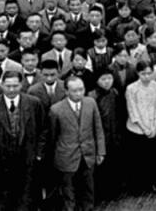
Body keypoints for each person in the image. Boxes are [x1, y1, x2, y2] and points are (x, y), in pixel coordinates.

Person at [0, 71, 47, 211]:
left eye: (15, 86)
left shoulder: (33, 103)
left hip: (26, 160)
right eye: (8, 86)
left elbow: (43, 130)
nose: (11, 90)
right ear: (1, 85)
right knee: (1, 201)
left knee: (25, 201)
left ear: (21, 85)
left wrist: (38, 154)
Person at [49, 75, 107, 211]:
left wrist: (101, 151)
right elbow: (53, 135)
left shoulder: (91, 103)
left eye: (81, 89)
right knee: (68, 191)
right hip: (66, 156)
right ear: (66, 91)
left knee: (88, 189)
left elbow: (98, 128)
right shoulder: (56, 109)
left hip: (88, 154)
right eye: (74, 91)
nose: (79, 93)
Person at [124, 61, 156, 194]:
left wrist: (154, 126)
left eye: (149, 73)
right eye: (143, 74)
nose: (146, 76)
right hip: (137, 128)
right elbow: (132, 110)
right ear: (138, 73)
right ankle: (138, 185)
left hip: (154, 126)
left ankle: (154, 183)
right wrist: (144, 128)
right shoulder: (131, 88)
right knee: (138, 159)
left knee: (154, 158)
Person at [88, 68, 123, 202]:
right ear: (97, 81)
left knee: (114, 163)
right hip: (100, 135)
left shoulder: (115, 92)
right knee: (101, 166)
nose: (107, 82)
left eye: (109, 78)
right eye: (103, 79)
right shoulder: (92, 96)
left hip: (115, 134)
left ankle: (114, 191)